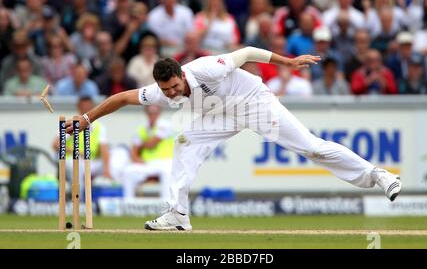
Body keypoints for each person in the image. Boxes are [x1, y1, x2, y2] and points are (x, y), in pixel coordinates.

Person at [65, 46, 402, 231]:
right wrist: (86, 119)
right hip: (220, 114)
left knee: (312, 148)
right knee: (185, 141)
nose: (172, 94)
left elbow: (249, 51)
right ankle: (178, 215)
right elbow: (122, 97)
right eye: (166, 91)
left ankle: (379, 175)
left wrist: (288, 62)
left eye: (174, 87)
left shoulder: (208, 67)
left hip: (254, 103)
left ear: (183, 75)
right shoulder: (160, 91)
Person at [122, 105, 174, 199]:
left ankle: (167, 204)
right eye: (150, 113)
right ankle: (128, 203)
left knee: (167, 172)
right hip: (147, 163)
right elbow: (133, 152)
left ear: (159, 113)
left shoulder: (165, 124)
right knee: (128, 171)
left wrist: (140, 144)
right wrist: (137, 159)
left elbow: (152, 143)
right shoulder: (142, 128)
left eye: (155, 113)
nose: (152, 115)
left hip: (165, 162)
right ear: (146, 113)